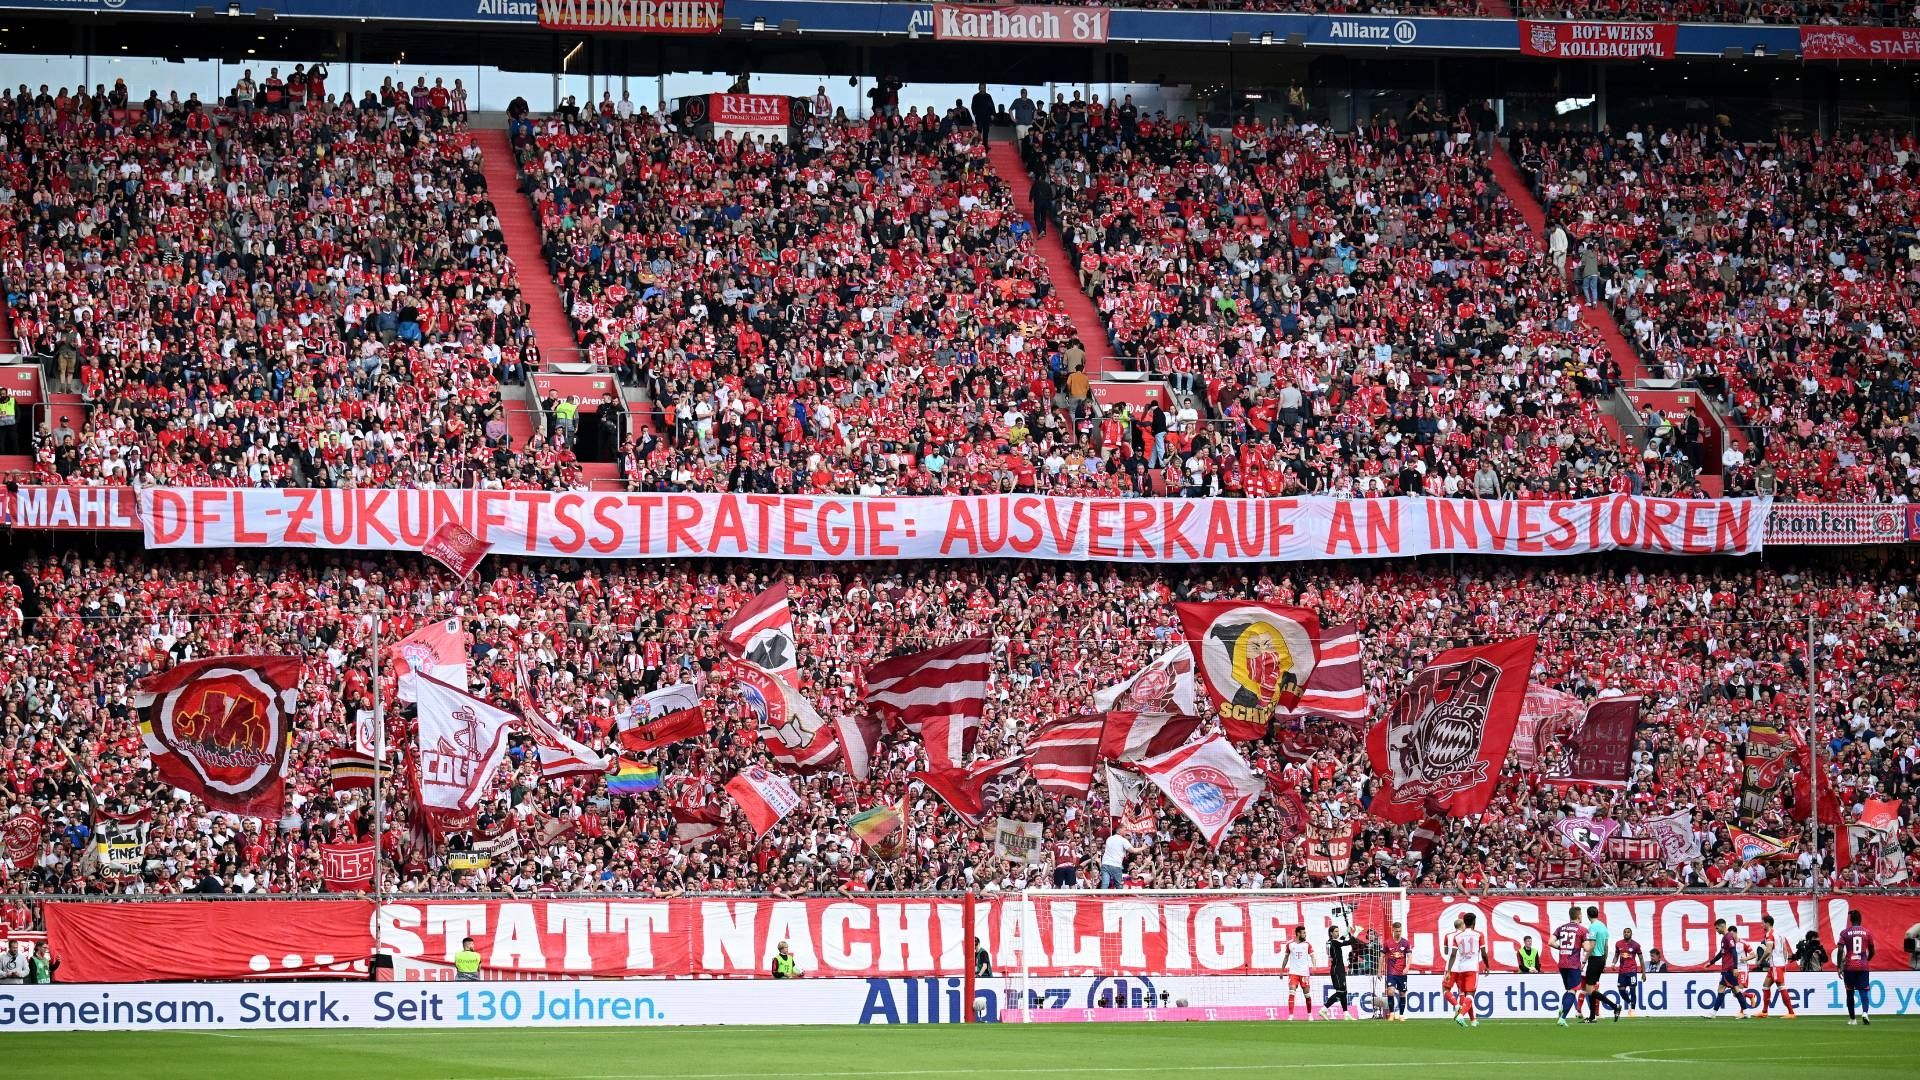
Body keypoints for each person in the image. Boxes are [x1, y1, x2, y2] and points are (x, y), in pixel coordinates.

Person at [1836, 908, 1875, 1026]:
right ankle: (1865, 1013)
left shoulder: (1844, 933)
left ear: (1850, 920)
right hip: (1863, 965)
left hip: (1849, 966)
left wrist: (1839, 966)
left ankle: (1852, 1019)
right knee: (1864, 990)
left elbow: (1840, 950)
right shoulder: (1867, 932)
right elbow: (1872, 950)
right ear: (1860, 919)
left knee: (1850, 992)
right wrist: (1866, 960)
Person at [1582, 906, 1621, 1023]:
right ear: (1597, 914)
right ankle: (1592, 1016)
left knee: (1589, 989)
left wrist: (1584, 960)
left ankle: (1615, 1006)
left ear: (1588, 915)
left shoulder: (1592, 927)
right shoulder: (1603, 927)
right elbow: (1606, 945)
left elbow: (1592, 945)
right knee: (1592, 988)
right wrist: (1604, 961)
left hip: (1594, 959)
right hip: (1600, 959)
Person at [1552, 903, 1588, 1027]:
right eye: (1581, 914)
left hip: (1562, 963)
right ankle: (1563, 1018)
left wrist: (1562, 948)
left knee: (1568, 990)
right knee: (1573, 991)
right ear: (1578, 916)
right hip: (1573, 964)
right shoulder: (1582, 930)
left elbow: (1550, 942)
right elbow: (1588, 947)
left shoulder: (1561, 928)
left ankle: (1562, 1008)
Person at [1448, 911, 1485, 1028]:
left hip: (1460, 969)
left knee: (1465, 995)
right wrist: (1488, 965)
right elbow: (1483, 953)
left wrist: (1448, 970)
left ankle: (1473, 1020)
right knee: (1470, 995)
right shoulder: (1479, 935)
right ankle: (1461, 1015)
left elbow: (1453, 955)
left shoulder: (1457, 936)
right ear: (1474, 922)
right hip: (1472, 968)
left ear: (1464, 922)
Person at [1756, 914, 1796, 1018]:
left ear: (1767, 923)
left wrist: (1760, 960)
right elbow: (1785, 949)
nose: (1762, 925)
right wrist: (1784, 962)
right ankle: (1764, 1012)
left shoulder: (1770, 934)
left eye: (1762, 923)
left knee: (1781, 987)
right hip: (1778, 964)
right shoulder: (1780, 934)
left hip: (1776, 965)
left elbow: (1768, 950)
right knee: (1765, 986)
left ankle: (1791, 1013)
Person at [1711, 918, 1750, 1017]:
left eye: (1717, 928)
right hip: (1726, 969)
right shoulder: (1725, 938)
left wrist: (1735, 967)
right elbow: (1721, 953)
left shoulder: (1728, 937)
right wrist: (1711, 962)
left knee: (1730, 989)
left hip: (1729, 969)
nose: (1716, 930)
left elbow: (1734, 952)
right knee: (1729, 989)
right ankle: (1745, 1012)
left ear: (1722, 926)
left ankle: (1713, 1013)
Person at [1324, 924, 1357, 1020]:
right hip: (1337, 969)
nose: (1337, 933)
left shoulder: (1330, 942)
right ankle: (1324, 1008)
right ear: (1331, 933)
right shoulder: (1334, 942)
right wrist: (1357, 932)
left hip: (1338, 968)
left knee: (1344, 991)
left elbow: (1340, 940)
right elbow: (1349, 942)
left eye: (1338, 931)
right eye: (1336, 931)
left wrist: (1347, 931)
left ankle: (1346, 1014)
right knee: (1341, 991)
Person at [1381, 921, 1411, 1022]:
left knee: (1402, 994)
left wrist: (1407, 967)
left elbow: (1410, 956)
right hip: (1391, 972)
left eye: (1400, 931)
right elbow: (1382, 956)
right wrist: (1379, 970)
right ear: (1393, 930)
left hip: (1402, 973)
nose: (1398, 932)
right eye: (1397, 931)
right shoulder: (1387, 942)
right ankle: (1392, 1014)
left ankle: (1401, 1015)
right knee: (1390, 991)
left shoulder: (1405, 942)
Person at [1284, 926, 1315, 1019]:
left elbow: (1313, 956)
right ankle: (1291, 1015)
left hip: (1304, 973)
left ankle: (1309, 1014)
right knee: (1291, 992)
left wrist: (1314, 966)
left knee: (1307, 994)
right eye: (1303, 933)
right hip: (1293, 973)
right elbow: (1286, 958)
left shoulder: (1307, 945)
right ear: (1298, 933)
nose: (1305, 934)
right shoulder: (1290, 945)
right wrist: (1282, 970)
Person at [1614, 926, 1644, 1017]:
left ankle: (1632, 1009)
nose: (1626, 933)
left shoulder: (1636, 945)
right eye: (1625, 932)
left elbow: (1641, 959)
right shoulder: (1618, 944)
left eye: (1628, 932)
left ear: (1631, 934)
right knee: (1621, 990)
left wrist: (1643, 973)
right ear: (1623, 934)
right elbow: (1616, 956)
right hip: (1622, 971)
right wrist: (1613, 963)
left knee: (1632, 989)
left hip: (1632, 971)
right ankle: (1630, 1002)